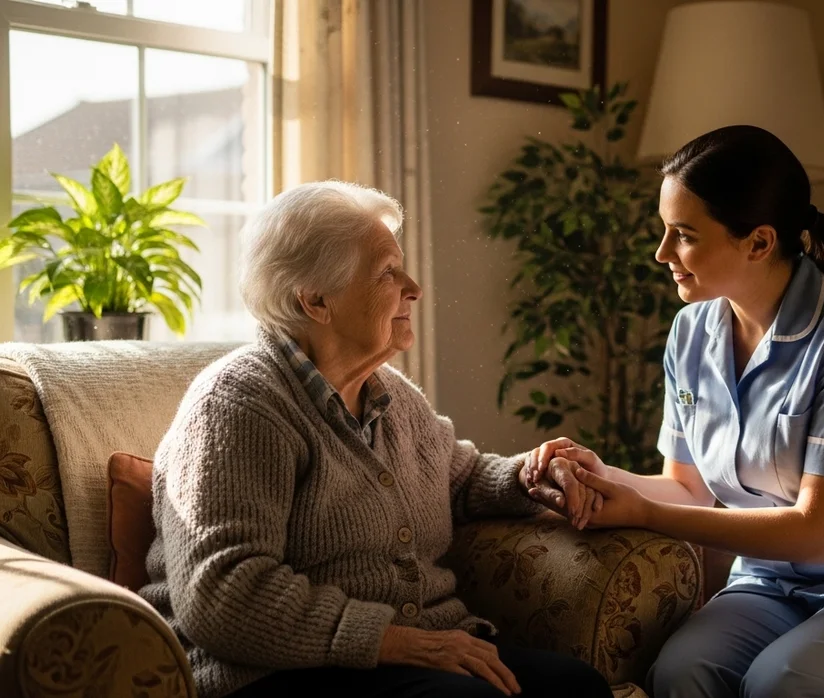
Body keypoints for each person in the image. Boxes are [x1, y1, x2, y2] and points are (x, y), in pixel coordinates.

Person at [524, 125, 824, 698]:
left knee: (785, 682)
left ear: (758, 242)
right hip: (764, 584)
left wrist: (641, 513)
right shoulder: (691, 331)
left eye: (683, 236)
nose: (662, 255)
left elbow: (815, 534)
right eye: (664, 232)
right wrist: (599, 475)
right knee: (682, 672)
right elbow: (686, 489)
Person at [140, 181, 611, 698]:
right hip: (273, 672)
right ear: (316, 300)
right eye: (387, 272)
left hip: (409, 655)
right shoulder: (238, 404)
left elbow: (459, 478)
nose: (413, 286)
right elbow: (221, 594)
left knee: (577, 687)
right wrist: (392, 641)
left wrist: (531, 473)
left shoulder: (390, 396)